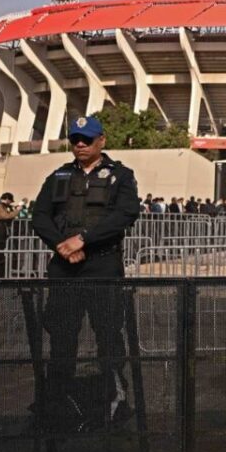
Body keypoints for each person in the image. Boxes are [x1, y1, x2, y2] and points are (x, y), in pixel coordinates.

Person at [31, 115, 140, 420]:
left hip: (103, 266)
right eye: (75, 139)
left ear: (101, 141)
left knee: (108, 334)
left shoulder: (121, 176)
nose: (80, 144)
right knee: (62, 337)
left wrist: (84, 240)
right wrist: (62, 246)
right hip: (66, 269)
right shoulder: (59, 176)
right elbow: (40, 216)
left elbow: (126, 213)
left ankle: (115, 400)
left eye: (87, 139)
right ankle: (58, 403)